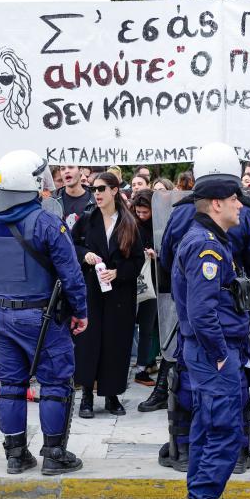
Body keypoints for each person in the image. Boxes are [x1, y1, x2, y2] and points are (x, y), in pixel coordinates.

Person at [0, 150, 88, 474]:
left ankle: (16, 454)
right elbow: (70, 273)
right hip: (40, 317)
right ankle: (54, 454)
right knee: (55, 383)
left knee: (10, 385)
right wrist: (81, 311)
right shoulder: (47, 221)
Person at [157, 144, 250, 474]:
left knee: (191, 378)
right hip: (230, 312)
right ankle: (234, 450)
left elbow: (166, 259)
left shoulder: (181, 212)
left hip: (193, 311)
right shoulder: (248, 213)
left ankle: (186, 447)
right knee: (233, 379)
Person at [173, 144, 250, 499]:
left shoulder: (208, 238)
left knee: (208, 429)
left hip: (211, 354)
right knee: (224, 430)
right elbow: (201, 311)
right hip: (213, 355)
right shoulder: (205, 245)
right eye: (236, 199)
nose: (241, 206)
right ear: (218, 203)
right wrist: (222, 353)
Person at [72, 172, 144, 417]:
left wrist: (118, 273)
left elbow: (138, 260)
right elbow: (72, 245)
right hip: (92, 290)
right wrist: (85, 255)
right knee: (89, 343)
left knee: (116, 344)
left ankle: (112, 395)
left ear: (114, 190)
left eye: (101, 188)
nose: (97, 193)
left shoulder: (128, 222)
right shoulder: (87, 219)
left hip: (119, 295)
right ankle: (87, 397)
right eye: (94, 189)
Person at [131, 189, 159, 386]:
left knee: (147, 327)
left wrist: (155, 253)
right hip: (132, 278)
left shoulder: (159, 225)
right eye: (138, 212)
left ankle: (142, 367)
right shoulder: (131, 224)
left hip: (151, 281)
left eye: (145, 212)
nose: (141, 216)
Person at [52, 165, 95, 231]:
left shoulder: (95, 201)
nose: (67, 171)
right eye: (63, 169)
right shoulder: (53, 201)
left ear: (81, 170)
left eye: (71, 167)